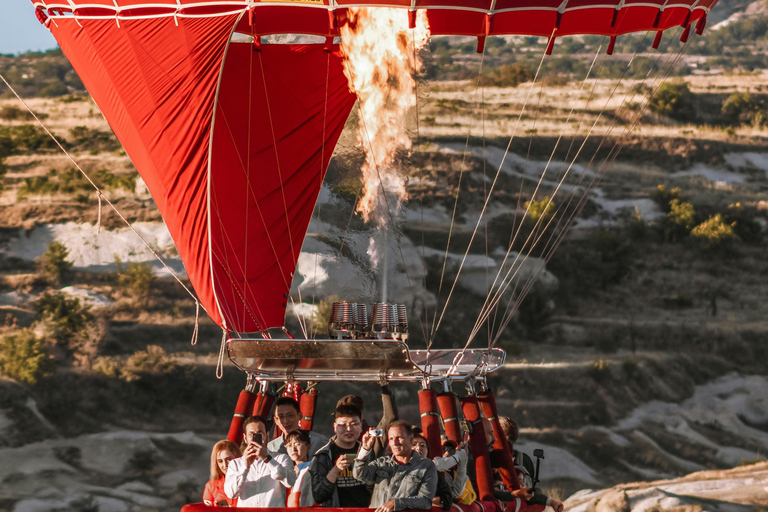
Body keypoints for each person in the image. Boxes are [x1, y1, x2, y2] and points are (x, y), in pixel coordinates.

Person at [353, 420, 438, 512]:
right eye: (391, 439)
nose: (395, 443)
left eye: (399, 438)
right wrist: (365, 448)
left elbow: (425, 501)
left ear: (411, 439)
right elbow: (359, 475)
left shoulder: (426, 465)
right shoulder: (382, 462)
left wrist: (397, 503)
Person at [225, 415, 296, 507]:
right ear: (245, 438)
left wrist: (268, 459)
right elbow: (231, 493)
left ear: (267, 435)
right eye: (252, 434)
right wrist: (245, 467)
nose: (255, 438)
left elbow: (290, 482)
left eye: (260, 434)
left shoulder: (281, 458)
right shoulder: (235, 464)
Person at [310, 404, 372, 508]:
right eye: (343, 425)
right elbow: (318, 496)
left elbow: (375, 489)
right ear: (334, 427)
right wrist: (335, 470)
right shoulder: (323, 455)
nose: (349, 429)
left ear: (361, 426)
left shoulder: (368, 451)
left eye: (354, 424)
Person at [335, 381, 398, 457]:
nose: (348, 428)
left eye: (353, 421)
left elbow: (390, 417)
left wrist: (385, 388)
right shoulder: (330, 444)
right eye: (342, 422)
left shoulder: (373, 434)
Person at [411, 428, 454, 511]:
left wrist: (430, 500)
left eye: (422, 445)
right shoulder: (394, 469)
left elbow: (447, 499)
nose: (418, 448)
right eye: (413, 444)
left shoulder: (434, 473)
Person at [204, 440, 242, 507]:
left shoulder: (250, 481)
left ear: (238, 458)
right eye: (220, 461)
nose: (225, 465)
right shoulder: (211, 486)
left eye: (229, 459)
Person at [285, 429, 315, 507]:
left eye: (297, 444)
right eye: (289, 445)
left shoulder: (312, 468)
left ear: (308, 446)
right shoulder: (288, 470)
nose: (293, 449)